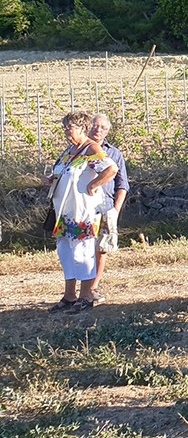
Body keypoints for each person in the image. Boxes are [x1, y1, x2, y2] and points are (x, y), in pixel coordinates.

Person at [46, 111, 116, 315]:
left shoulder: (90, 149)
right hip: (64, 213)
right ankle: (69, 296)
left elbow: (111, 169)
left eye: (70, 127)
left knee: (82, 252)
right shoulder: (70, 150)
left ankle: (86, 296)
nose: (66, 131)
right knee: (66, 252)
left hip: (83, 212)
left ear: (82, 128)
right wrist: (52, 179)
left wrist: (94, 185)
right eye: (65, 127)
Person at [89, 112, 128, 305]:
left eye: (103, 127)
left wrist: (115, 210)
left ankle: (93, 288)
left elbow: (122, 185)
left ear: (108, 132)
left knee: (101, 248)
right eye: (96, 125)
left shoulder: (114, 154)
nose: (98, 130)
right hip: (83, 207)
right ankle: (80, 290)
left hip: (105, 207)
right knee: (81, 249)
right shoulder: (79, 150)